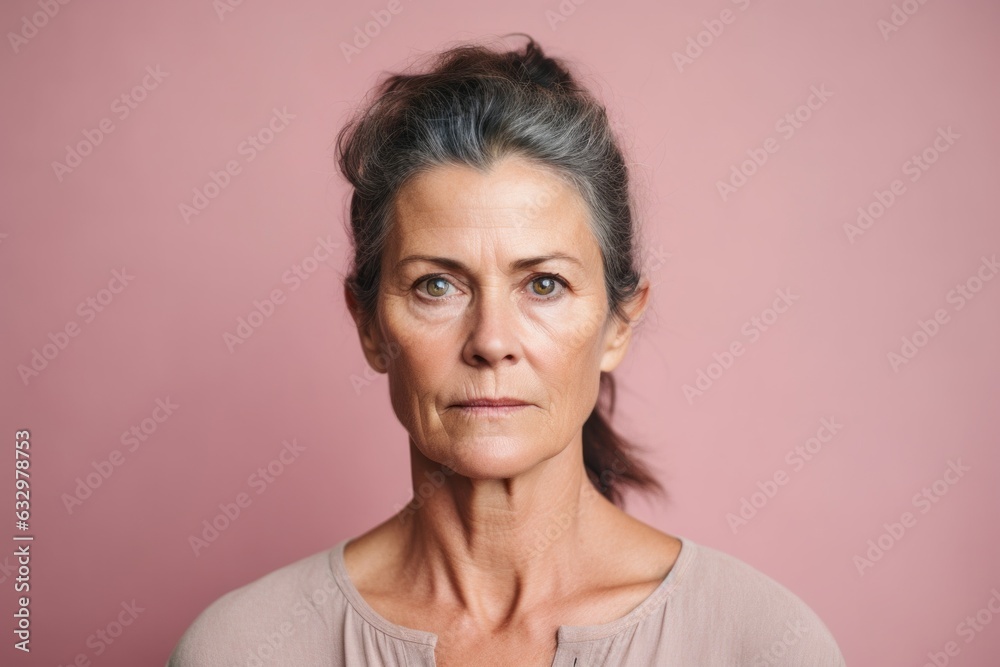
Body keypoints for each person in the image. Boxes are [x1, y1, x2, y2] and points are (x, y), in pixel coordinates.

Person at [166, 33, 846, 666]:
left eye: (543, 284)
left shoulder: (760, 643)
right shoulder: (246, 647)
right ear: (370, 325)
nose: (491, 340)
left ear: (618, 325)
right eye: (437, 284)